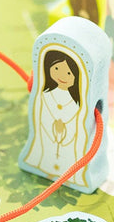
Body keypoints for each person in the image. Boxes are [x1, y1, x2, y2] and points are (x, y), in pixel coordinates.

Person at [23, 49, 88, 178]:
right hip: (45, 146)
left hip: (70, 151)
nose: (62, 76)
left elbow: (79, 127)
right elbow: (39, 120)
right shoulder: (45, 95)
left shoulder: (77, 103)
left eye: (69, 73)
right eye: (56, 68)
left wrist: (63, 131)